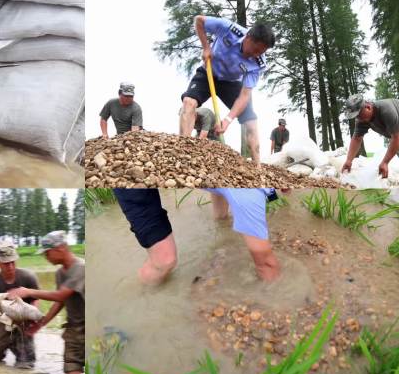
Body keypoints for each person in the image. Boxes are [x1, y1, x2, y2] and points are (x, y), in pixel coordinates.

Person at [113, 188, 282, 285]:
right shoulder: (250, 196)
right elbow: (266, 265)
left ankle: (220, 219)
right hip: (132, 177)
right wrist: (277, 293)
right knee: (164, 260)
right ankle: (141, 294)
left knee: (224, 201)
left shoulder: (246, 175)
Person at [179, 16, 276, 164]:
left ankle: (257, 167)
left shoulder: (258, 64)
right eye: (255, 50)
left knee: (251, 121)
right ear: (248, 37)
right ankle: (183, 150)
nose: (256, 55)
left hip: (230, 83)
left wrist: (228, 119)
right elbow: (199, 20)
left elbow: (244, 96)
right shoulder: (228, 28)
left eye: (261, 52)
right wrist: (206, 47)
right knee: (188, 102)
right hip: (209, 72)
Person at [7, 231, 85, 374]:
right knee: (72, 372)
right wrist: (41, 323)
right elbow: (60, 301)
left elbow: (61, 295)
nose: (46, 257)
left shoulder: (81, 268)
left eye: (47, 253)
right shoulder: (60, 274)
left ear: (60, 248)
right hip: (74, 329)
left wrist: (28, 291)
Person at [0, 238, 41, 369]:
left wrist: (33, 314)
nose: (11, 267)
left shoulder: (28, 277)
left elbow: (36, 297)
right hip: (4, 321)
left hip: (26, 321)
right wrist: (10, 320)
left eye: (13, 262)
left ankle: (23, 358)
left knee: (25, 363)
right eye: (6, 263)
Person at [342, 94, 399, 187]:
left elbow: (397, 137)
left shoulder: (386, 110)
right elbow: (357, 138)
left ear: (368, 107)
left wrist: (385, 162)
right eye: (356, 116)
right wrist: (349, 160)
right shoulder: (362, 120)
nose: (358, 118)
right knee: (398, 161)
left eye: (359, 115)